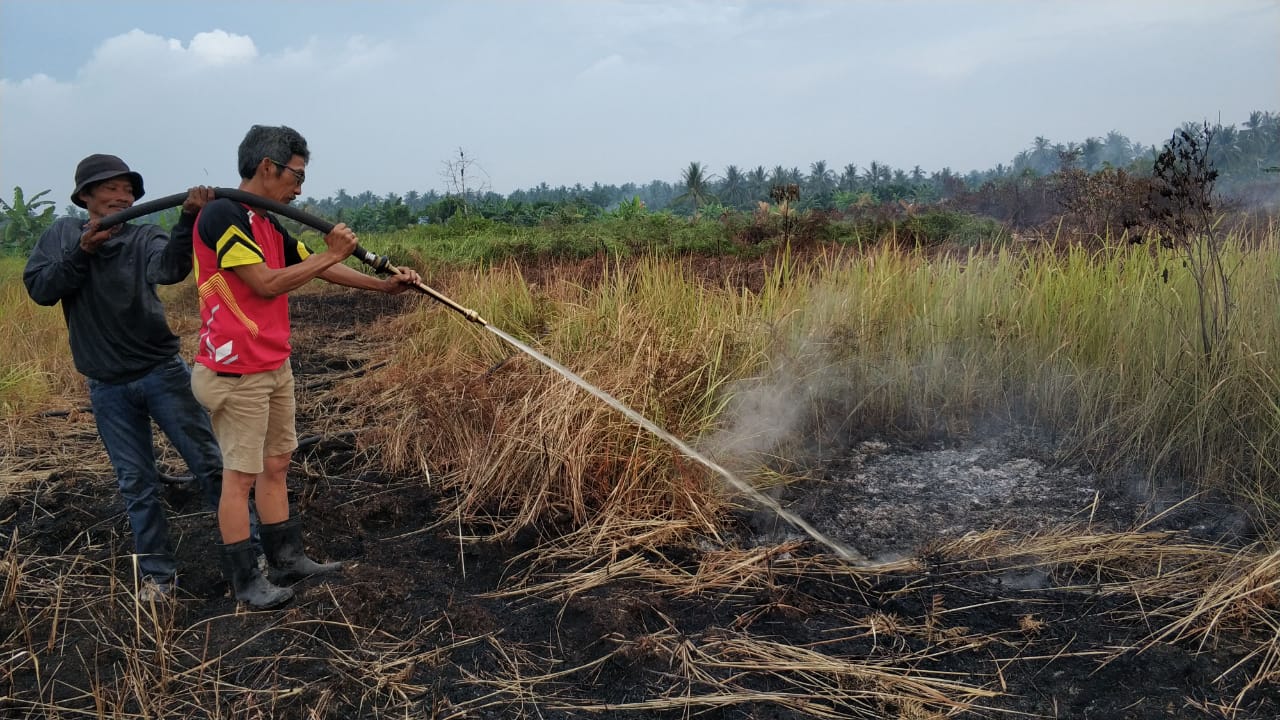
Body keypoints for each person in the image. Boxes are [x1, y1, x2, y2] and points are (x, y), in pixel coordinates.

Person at [191, 125, 421, 609]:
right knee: (241, 477)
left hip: (273, 363)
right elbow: (267, 283)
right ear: (268, 167)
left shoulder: (265, 221)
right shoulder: (223, 215)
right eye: (297, 174)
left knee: (276, 464)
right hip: (236, 371)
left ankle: (287, 559)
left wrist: (382, 287)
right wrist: (330, 252)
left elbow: (315, 265)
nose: (301, 186)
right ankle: (247, 582)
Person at [23, 154, 224, 602]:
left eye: (127, 190)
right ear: (85, 197)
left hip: (162, 374)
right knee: (136, 481)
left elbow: (170, 269)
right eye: (110, 189)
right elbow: (41, 289)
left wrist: (187, 219)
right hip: (107, 386)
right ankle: (157, 577)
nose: (121, 197)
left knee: (210, 465)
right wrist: (83, 252)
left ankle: (247, 554)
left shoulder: (144, 236)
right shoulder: (61, 237)